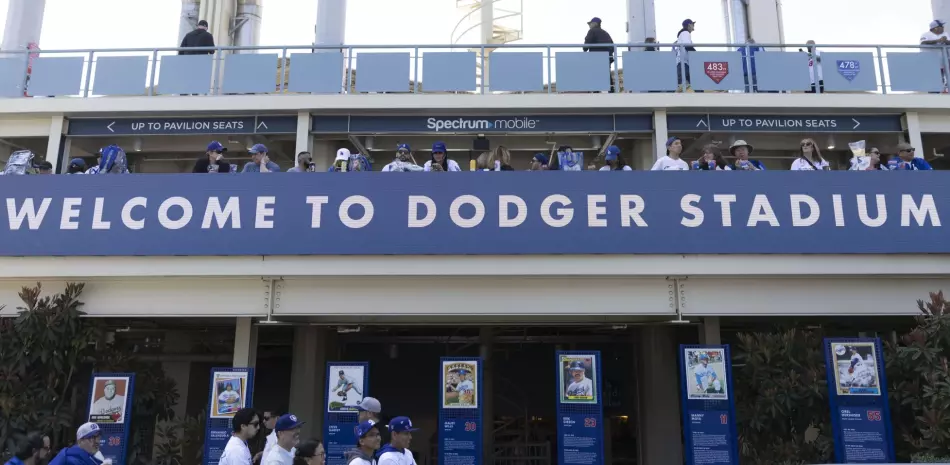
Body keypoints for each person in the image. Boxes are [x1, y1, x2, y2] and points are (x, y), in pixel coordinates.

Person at [583, 17, 615, 93]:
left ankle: (596, 91)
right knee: (606, 73)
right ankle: (611, 90)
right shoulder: (605, 33)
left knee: (594, 74)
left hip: (595, 57)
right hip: (606, 58)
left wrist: (585, 48)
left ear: (595, 24)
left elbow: (586, 46)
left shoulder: (592, 31)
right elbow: (612, 46)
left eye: (590, 23)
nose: (589, 25)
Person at [675, 19, 697, 93]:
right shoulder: (685, 33)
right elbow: (687, 46)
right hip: (683, 63)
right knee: (683, 85)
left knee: (686, 85)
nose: (693, 25)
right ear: (689, 25)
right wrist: (697, 55)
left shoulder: (683, 34)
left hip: (684, 63)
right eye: (692, 24)